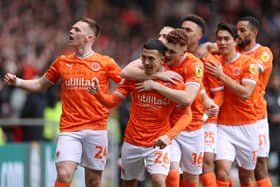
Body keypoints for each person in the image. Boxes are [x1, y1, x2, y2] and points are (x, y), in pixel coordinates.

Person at [4, 17, 122, 187]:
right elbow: (40, 84)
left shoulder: (105, 63)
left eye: (77, 30)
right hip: (70, 129)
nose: (71, 32)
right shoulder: (62, 62)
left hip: (96, 129)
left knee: (94, 182)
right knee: (64, 173)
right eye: (71, 28)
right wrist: (18, 82)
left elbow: (126, 84)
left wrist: (110, 99)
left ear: (89, 37)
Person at [88, 39, 192, 187]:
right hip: (132, 141)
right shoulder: (134, 79)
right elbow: (111, 102)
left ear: (162, 59)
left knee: (158, 180)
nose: (147, 62)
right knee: (129, 183)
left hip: (157, 143)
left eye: (151, 58)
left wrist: (169, 136)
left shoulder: (174, 82)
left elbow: (187, 115)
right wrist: (98, 94)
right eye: (144, 57)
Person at [122, 28, 218, 187]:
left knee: (192, 175)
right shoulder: (157, 57)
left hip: (192, 126)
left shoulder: (194, 65)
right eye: (166, 50)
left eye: (172, 52)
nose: (167, 55)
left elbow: (188, 98)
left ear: (184, 50)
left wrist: (155, 85)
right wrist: (156, 75)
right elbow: (126, 72)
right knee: (169, 175)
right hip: (166, 127)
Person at [205, 23, 259, 187]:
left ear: (235, 41)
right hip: (224, 127)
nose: (222, 42)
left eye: (226, 38)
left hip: (247, 126)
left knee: (246, 177)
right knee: (221, 172)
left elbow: (245, 93)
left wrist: (222, 75)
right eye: (219, 39)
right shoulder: (214, 62)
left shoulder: (249, 63)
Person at [181, 15, 224, 187]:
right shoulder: (173, 57)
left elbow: (220, 94)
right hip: (179, 118)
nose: (183, 33)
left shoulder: (208, 59)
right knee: (179, 166)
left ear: (199, 36)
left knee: (206, 161)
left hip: (204, 120)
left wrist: (208, 113)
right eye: (182, 28)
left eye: (188, 30)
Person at [236, 16, 273, 187]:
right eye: (236, 30)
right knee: (227, 165)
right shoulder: (232, 51)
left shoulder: (263, 52)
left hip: (256, 117)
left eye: (242, 30)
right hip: (231, 116)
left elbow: (253, 69)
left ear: (254, 32)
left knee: (259, 166)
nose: (238, 34)